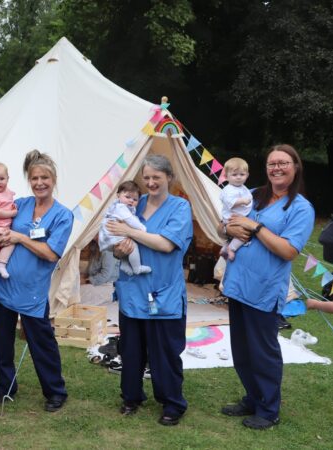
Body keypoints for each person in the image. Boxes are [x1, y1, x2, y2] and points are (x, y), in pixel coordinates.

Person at [219, 144, 314, 430]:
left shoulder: (300, 208)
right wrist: (228, 229)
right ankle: (252, 396)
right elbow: (227, 223)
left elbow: (288, 251)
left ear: (295, 167)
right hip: (238, 283)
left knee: (262, 351)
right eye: (272, 163)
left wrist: (256, 228)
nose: (276, 168)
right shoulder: (254, 195)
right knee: (242, 349)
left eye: (283, 163)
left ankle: (269, 408)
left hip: (263, 288)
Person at [106, 154, 193, 426]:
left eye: (157, 177)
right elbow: (115, 239)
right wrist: (118, 249)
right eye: (147, 178)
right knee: (131, 350)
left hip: (163, 293)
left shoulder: (180, 207)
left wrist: (128, 232)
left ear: (169, 177)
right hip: (133, 291)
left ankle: (171, 403)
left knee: (164, 352)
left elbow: (166, 244)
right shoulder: (134, 204)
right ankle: (131, 397)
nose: (151, 182)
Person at [0, 150, 73, 412]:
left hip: (32, 290)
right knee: (2, 342)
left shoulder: (62, 215)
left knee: (41, 342)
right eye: (34, 177)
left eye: (45, 178)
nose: (39, 183)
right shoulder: (21, 204)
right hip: (5, 285)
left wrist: (20, 238)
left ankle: (55, 391)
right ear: (28, 179)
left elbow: (50, 253)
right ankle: (5, 387)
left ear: (54, 179)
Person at [99, 181, 151, 276]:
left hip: (110, 237)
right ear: (118, 195)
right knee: (132, 245)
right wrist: (141, 227)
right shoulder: (121, 208)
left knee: (125, 246)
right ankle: (137, 268)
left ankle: (124, 263)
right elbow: (131, 220)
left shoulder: (117, 207)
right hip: (112, 235)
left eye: (135, 199)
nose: (131, 200)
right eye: (127, 197)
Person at [219, 157, 252, 261]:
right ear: (226, 176)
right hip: (231, 218)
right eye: (234, 175)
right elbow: (230, 203)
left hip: (236, 217)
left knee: (233, 235)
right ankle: (231, 249)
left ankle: (225, 248)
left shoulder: (242, 188)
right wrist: (242, 201)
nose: (238, 177)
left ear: (247, 175)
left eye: (242, 174)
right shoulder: (228, 190)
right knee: (244, 233)